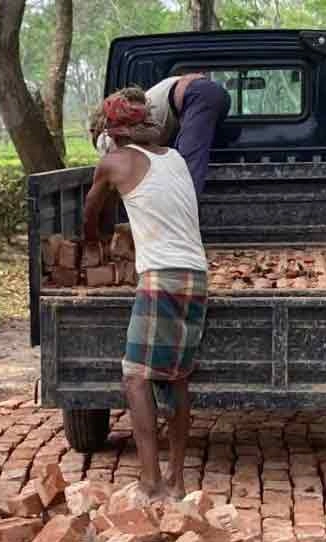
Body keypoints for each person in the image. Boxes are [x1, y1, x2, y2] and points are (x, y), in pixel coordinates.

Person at [83, 88, 210, 501]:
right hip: (195, 274)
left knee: (136, 378)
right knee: (176, 378)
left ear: (112, 132)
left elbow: (90, 211)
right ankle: (177, 480)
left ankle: (150, 482)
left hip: (162, 278)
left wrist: (94, 243)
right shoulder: (174, 157)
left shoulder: (114, 162)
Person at [92, 73, 231, 196]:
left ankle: (183, 214)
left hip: (198, 94)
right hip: (214, 95)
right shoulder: (146, 111)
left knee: (187, 173)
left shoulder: (114, 132)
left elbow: (119, 162)